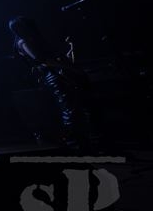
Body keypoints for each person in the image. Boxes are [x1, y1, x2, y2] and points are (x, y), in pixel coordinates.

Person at [8, 16, 94, 152]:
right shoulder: (23, 42)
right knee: (70, 110)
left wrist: (67, 57)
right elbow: (43, 60)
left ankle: (81, 142)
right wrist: (69, 67)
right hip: (52, 76)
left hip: (56, 74)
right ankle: (75, 144)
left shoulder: (31, 40)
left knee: (74, 108)